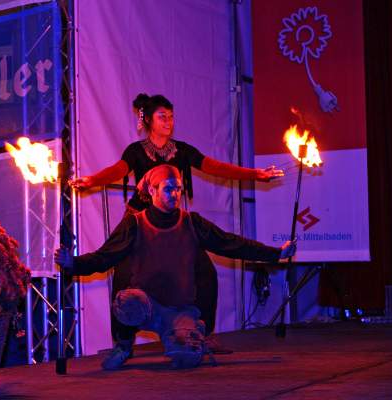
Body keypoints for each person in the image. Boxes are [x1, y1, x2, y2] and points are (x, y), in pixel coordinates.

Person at [68, 93, 283, 364]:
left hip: (175, 224)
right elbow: (116, 170)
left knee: (205, 272)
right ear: (148, 120)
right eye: (162, 117)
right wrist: (91, 180)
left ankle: (203, 332)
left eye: (171, 117)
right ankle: (123, 344)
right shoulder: (136, 151)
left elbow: (215, 167)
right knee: (123, 274)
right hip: (141, 224)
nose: (169, 122)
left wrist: (256, 174)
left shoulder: (182, 151)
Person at [56, 165, 296, 370]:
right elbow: (105, 256)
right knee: (127, 301)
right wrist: (73, 263)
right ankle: (124, 345)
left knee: (187, 358)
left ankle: (190, 334)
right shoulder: (135, 223)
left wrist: (275, 253)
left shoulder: (192, 222)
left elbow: (230, 243)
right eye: (169, 189)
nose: (175, 194)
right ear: (152, 191)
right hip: (145, 306)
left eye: (178, 188)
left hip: (180, 311)